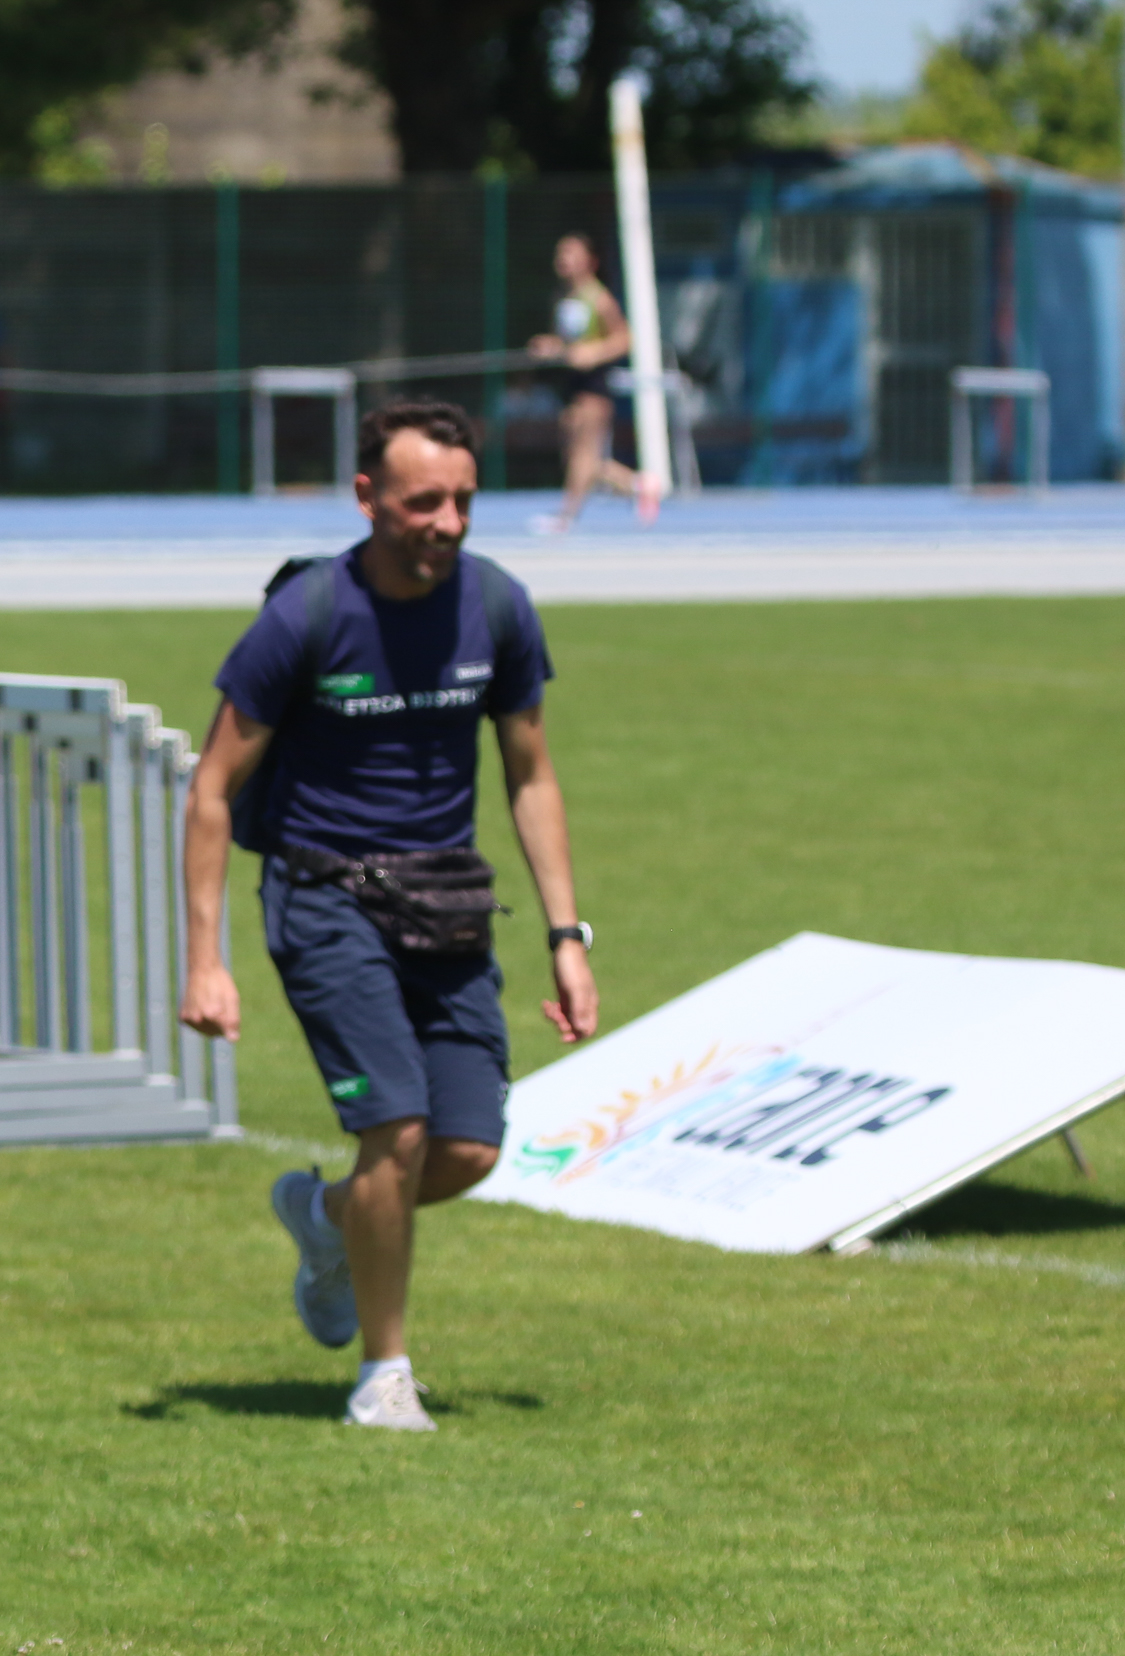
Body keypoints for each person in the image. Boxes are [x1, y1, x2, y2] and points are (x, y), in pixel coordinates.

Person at [179, 401, 598, 1432]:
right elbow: (212, 789)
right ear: (367, 496)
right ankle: (385, 1374)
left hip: (448, 900)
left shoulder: (498, 605)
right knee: (396, 1127)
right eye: (423, 502)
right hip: (324, 896)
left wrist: (567, 935)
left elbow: (532, 775)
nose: (446, 522)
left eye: (462, 500)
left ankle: (325, 1215)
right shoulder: (307, 615)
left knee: (468, 1149)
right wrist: (206, 960)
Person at [525, 234, 654, 534]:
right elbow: (569, 342)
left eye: (571, 253)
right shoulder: (564, 298)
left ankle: (566, 517)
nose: (563, 259)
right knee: (579, 457)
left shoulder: (599, 298)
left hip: (593, 385)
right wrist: (551, 347)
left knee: (583, 455)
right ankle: (638, 484)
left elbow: (624, 339)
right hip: (569, 384)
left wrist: (594, 353)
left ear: (590, 261)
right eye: (561, 253)